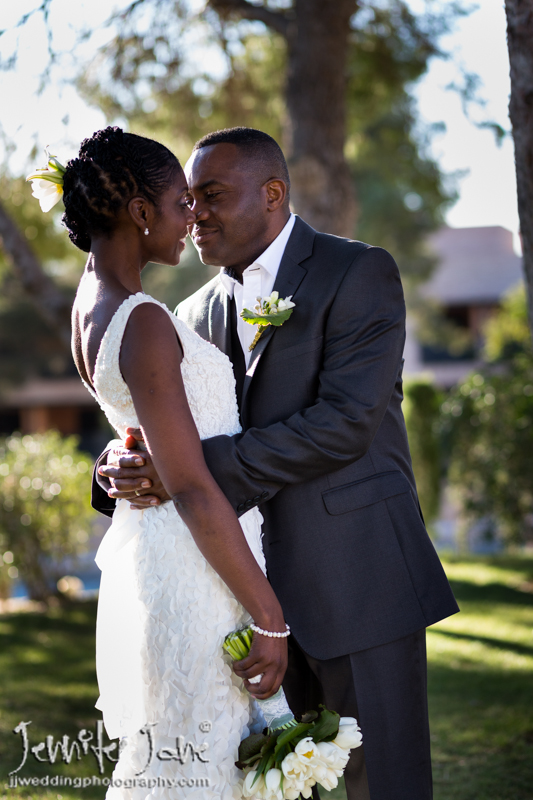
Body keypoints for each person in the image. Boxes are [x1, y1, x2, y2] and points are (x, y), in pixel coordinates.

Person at [95, 126, 460, 800]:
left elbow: (344, 422)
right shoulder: (190, 312)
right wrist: (116, 464)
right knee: (271, 786)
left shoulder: (357, 271)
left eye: (210, 195)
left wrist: (188, 471)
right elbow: (166, 422)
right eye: (187, 198)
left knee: (385, 784)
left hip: (360, 580)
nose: (194, 212)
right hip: (240, 603)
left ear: (272, 194)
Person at [62, 126, 289, 800]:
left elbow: (137, 429)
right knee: (204, 765)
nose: (191, 218)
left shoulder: (88, 308)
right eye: (179, 204)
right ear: (139, 213)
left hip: (166, 559)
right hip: (199, 568)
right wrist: (269, 617)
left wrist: (114, 458)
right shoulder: (146, 321)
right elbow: (189, 487)